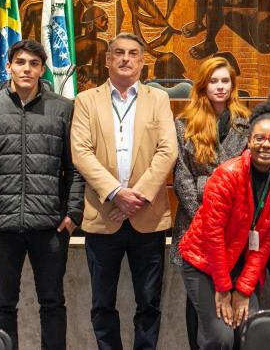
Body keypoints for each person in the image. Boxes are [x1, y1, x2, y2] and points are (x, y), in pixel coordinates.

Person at [71, 32, 178, 350]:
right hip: (103, 218)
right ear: (107, 60)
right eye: (118, 52)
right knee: (102, 304)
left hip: (148, 218)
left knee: (149, 303)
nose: (125, 58)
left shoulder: (158, 99)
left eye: (133, 53)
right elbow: (81, 152)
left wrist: (138, 196)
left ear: (143, 61)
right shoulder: (86, 101)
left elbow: (167, 150)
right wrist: (117, 193)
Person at [0, 40, 84, 350]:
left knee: (52, 303)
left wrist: (72, 214)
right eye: (20, 62)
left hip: (50, 226)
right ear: (8, 66)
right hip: (0, 226)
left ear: (42, 69)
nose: (27, 68)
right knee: (3, 305)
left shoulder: (63, 110)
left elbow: (75, 168)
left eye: (34, 63)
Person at [178, 101, 270, 349]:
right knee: (220, 338)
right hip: (204, 263)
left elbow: (266, 242)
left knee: (252, 332)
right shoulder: (227, 174)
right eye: (259, 138)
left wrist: (244, 289)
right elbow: (213, 234)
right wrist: (223, 288)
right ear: (249, 140)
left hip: (240, 264)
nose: (266, 145)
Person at [172, 56, 252, 349]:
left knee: (233, 311)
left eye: (225, 81)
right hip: (194, 227)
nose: (220, 87)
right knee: (200, 306)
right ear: (203, 86)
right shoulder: (184, 124)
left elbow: (249, 180)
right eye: (213, 81)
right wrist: (207, 217)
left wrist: (207, 187)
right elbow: (182, 178)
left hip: (234, 230)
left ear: (233, 85)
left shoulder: (247, 124)